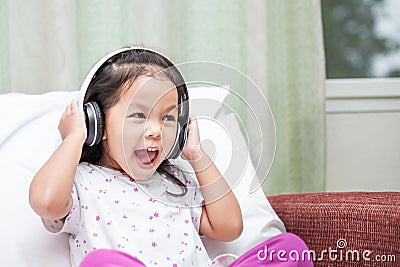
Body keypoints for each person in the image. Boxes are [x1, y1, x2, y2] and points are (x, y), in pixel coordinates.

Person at [29, 47, 313, 267]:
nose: (154, 130)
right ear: (98, 124)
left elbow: (229, 227)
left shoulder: (176, 182)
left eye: (167, 118)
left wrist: (197, 156)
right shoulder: (82, 182)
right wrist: (74, 137)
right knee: (101, 263)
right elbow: (46, 202)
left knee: (288, 248)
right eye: (139, 115)